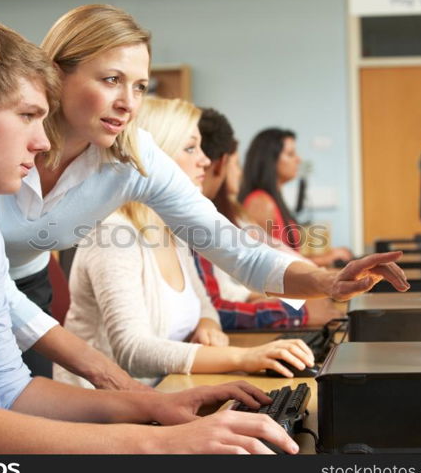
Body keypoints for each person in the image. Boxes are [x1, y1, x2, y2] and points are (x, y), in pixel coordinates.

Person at [0, 17, 297, 455]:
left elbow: (9, 388)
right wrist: (157, 443)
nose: (44, 141)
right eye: (28, 116)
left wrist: (153, 407)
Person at [0, 4, 410, 379]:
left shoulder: (134, 157)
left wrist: (328, 281)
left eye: (139, 86)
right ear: (57, 74)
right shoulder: (0, 136)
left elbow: (234, 249)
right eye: (112, 79)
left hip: (27, 283)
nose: (128, 102)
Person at [58, 97, 316, 387]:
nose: (205, 159)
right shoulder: (113, 235)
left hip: (163, 392)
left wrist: (207, 325)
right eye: (191, 148)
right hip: (104, 413)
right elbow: (132, 350)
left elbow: (205, 306)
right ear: (156, 155)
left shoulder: (173, 229)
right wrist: (243, 358)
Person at [196, 109, 343, 329]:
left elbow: (273, 257)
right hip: (272, 301)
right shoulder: (259, 203)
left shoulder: (258, 204)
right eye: (291, 154)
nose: (239, 171)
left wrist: (324, 277)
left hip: (287, 294)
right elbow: (259, 267)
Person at [239, 128, 353, 267]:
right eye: (290, 154)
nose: (299, 159)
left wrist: (328, 255)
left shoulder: (273, 200)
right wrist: (325, 259)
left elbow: (286, 256)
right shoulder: (260, 202)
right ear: (270, 160)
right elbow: (266, 264)